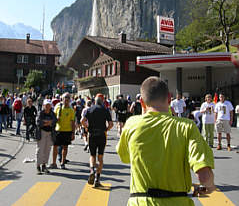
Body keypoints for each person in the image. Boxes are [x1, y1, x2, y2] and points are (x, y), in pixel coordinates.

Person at [117, 76, 215, 206]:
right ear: (169, 98)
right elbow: (204, 176)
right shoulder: (187, 126)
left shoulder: (131, 124)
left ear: (141, 101)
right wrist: (210, 187)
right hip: (178, 201)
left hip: (140, 201)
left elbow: (125, 157)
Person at [81, 94, 113, 187]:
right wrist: (106, 129)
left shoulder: (89, 109)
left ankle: (92, 170)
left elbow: (82, 120)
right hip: (101, 135)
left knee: (92, 155)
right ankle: (97, 179)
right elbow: (111, 124)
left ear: (94, 101)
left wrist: (86, 127)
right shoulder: (105, 110)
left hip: (92, 135)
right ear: (102, 101)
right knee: (100, 158)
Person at [50, 92, 75, 169]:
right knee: (55, 146)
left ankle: (62, 162)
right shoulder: (58, 107)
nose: (66, 101)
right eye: (65, 99)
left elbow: (73, 122)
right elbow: (53, 119)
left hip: (67, 131)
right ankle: (54, 163)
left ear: (69, 100)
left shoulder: (71, 110)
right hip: (58, 130)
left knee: (65, 147)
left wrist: (73, 133)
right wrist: (56, 120)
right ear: (62, 99)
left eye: (68, 99)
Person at [36, 99, 57, 175]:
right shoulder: (40, 113)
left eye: (49, 105)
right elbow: (38, 122)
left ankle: (44, 165)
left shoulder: (52, 113)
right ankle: (38, 166)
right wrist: (48, 123)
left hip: (50, 133)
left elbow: (55, 121)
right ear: (44, 106)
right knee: (40, 150)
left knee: (47, 150)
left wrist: (46, 122)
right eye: (46, 105)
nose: (48, 107)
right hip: (41, 132)